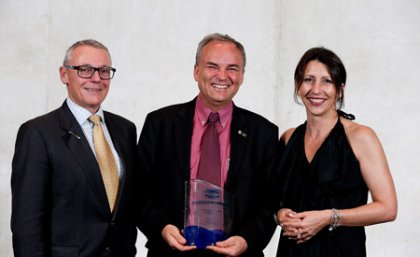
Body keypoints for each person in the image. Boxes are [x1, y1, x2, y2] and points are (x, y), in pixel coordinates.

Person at [137, 33, 279, 257]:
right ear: (196, 71)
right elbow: (138, 191)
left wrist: (246, 240)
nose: (222, 76)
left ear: (242, 75)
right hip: (170, 251)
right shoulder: (160, 124)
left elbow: (271, 201)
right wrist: (163, 228)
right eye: (212, 66)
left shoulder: (263, 133)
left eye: (232, 68)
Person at [11, 39, 139, 257]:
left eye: (104, 70)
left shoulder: (125, 129)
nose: (97, 78)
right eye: (85, 70)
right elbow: (27, 226)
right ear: (64, 75)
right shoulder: (38, 133)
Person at [272, 47, 397, 257]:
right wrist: (279, 215)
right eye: (308, 79)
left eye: (326, 81)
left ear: (339, 90)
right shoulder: (288, 138)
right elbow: (274, 201)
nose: (316, 89)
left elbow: (387, 208)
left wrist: (328, 217)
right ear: (298, 86)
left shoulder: (360, 137)